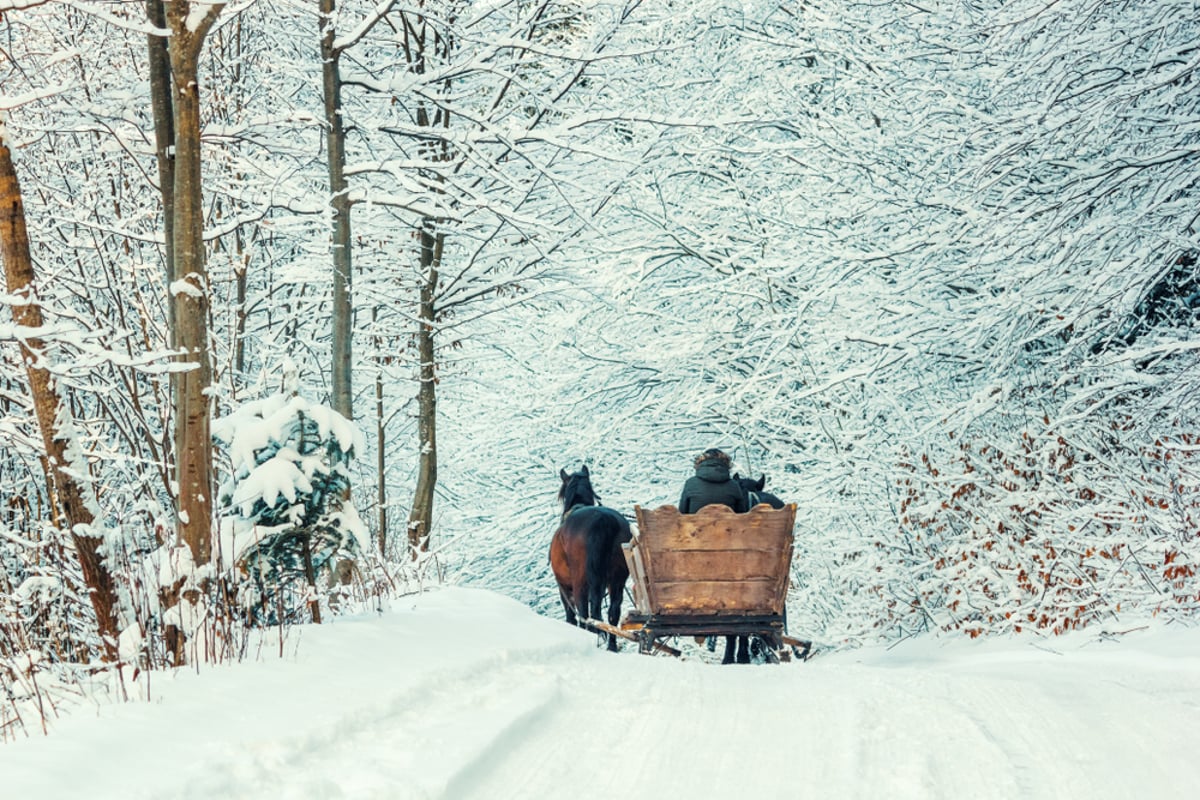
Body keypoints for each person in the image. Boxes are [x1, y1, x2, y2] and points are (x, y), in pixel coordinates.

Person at [678, 448, 749, 514]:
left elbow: (682, 513)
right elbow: (741, 514)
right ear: (726, 463)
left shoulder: (691, 483)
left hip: (696, 527)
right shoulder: (734, 485)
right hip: (727, 527)